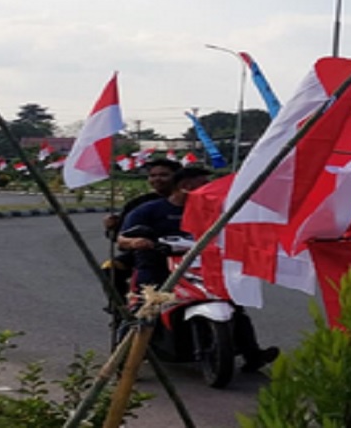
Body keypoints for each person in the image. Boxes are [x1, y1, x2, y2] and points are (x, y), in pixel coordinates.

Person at [118, 166, 278, 371]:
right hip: (156, 266)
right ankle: (124, 359)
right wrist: (137, 242)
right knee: (142, 309)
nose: (210, 189)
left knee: (233, 305)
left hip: (202, 265)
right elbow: (122, 239)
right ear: (185, 187)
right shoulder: (149, 210)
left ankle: (252, 354)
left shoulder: (212, 210)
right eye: (204, 185)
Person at [102, 159, 182, 294]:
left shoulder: (196, 202)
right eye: (153, 175)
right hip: (148, 254)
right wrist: (112, 227)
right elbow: (120, 238)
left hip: (190, 253)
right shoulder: (139, 204)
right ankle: (122, 308)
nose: (157, 179)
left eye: (163, 175)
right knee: (110, 268)